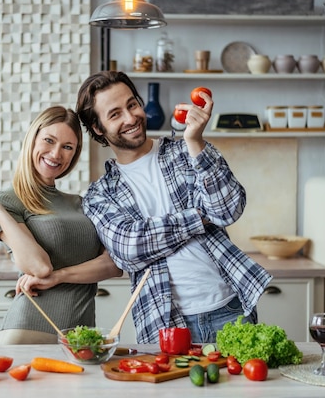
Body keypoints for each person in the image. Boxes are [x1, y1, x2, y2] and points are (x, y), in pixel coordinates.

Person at [75, 71, 272, 344]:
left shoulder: (187, 151)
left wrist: (195, 141)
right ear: (98, 128)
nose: (131, 118)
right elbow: (130, 249)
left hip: (230, 308)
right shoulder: (100, 194)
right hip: (164, 322)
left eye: (132, 105)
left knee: (245, 387)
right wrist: (197, 218)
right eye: (115, 114)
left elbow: (227, 210)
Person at [0, 105, 122, 345]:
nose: (56, 154)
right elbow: (39, 268)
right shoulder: (7, 202)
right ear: (33, 139)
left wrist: (60, 276)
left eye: (67, 147)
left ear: (74, 154)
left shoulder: (80, 203)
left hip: (80, 336)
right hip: (29, 331)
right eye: (49, 141)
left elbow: (114, 265)